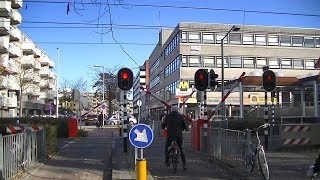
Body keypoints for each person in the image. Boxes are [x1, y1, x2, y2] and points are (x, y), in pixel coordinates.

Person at [161, 105, 187, 170]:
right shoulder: (180, 117)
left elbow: (163, 125)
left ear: (171, 110)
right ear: (177, 110)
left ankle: (167, 161)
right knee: (182, 149)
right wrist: (183, 129)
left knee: (167, 147)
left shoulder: (168, 116)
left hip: (170, 135)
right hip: (178, 136)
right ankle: (184, 164)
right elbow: (184, 126)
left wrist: (164, 127)